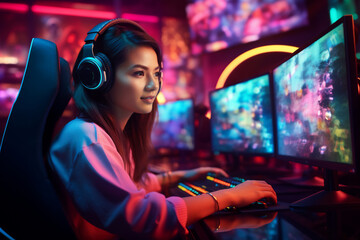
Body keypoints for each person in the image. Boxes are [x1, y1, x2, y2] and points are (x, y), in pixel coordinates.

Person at [48, 18, 277, 240]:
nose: (153, 85)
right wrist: (229, 196)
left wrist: (175, 177)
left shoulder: (107, 134)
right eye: (139, 73)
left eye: (156, 73)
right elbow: (144, 218)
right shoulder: (88, 137)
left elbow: (125, 186)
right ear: (98, 77)